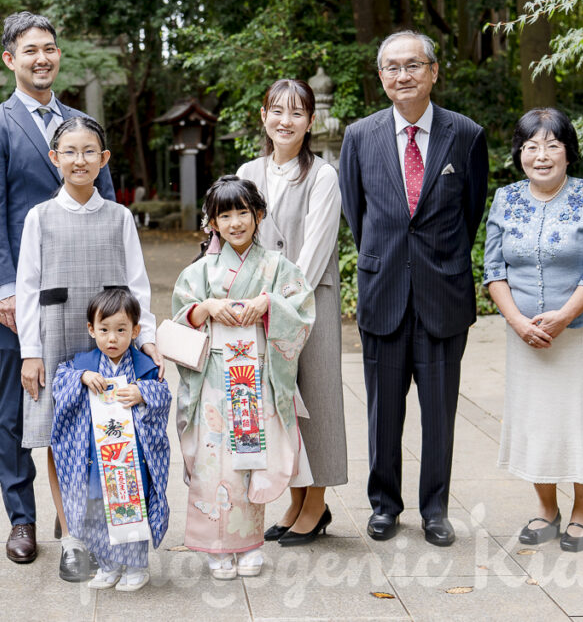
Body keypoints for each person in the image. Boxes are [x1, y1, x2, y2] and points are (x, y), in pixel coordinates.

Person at [0, 11, 118, 565]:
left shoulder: (81, 122)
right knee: (21, 401)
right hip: (26, 294)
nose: (42, 58)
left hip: (90, 293)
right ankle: (22, 516)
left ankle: (78, 504)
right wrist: (3, 289)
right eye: (30, 50)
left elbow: (108, 202)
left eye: (49, 48)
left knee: (91, 395)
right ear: (10, 59)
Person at [338, 30, 488, 547]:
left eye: (413, 66)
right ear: (381, 77)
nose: (403, 76)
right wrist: (390, 259)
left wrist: (435, 261)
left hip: (443, 295)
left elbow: (471, 214)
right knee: (383, 413)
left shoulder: (465, 134)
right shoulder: (359, 136)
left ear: (433, 71)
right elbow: (358, 217)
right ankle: (384, 505)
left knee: (440, 414)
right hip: (383, 295)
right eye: (392, 68)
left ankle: (436, 509)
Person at [16, 116, 159, 581]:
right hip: (58, 336)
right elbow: (27, 287)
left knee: (117, 439)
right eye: (70, 152)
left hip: (114, 339)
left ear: (104, 159)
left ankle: (119, 532)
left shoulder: (120, 216)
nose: (80, 160)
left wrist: (148, 338)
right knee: (64, 437)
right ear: (55, 159)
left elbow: (138, 284)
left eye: (89, 151)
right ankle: (75, 536)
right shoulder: (40, 217)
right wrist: (30, 351)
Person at [484, 108, 583, 552]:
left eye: (552, 145)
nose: (541, 156)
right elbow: (493, 270)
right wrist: (518, 322)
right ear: (520, 153)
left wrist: (563, 317)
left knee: (581, 421)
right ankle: (547, 510)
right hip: (525, 336)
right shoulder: (505, 199)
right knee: (535, 422)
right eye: (531, 146)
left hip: (579, 334)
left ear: (568, 152)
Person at [171, 176, 315, 580]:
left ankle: (249, 542)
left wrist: (269, 303)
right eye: (224, 215)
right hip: (215, 380)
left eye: (243, 212)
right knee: (215, 461)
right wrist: (207, 308)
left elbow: (301, 311)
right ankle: (217, 545)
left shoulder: (277, 267)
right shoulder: (199, 271)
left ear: (259, 215)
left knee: (250, 457)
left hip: (256, 376)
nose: (235, 222)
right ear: (212, 223)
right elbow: (182, 318)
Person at [238, 78, 346, 546]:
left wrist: (274, 298)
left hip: (308, 302)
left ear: (311, 121)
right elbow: (235, 232)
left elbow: (315, 251)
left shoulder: (323, 175)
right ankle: (295, 498)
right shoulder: (249, 170)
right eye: (277, 111)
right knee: (279, 405)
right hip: (258, 304)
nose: (286, 121)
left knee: (315, 400)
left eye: (297, 113)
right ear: (264, 117)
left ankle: (316, 503)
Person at [51, 289, 170, 592]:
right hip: (96, 457)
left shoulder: (143, 366)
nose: (112, 338)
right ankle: (108, 565)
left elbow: (164, 394)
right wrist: (81, 379)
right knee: (97, 510)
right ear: (91, 330)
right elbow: (60, 379)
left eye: (121, 330)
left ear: (135, 331)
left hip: (131, 458)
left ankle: (136, 567)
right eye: (104, 330)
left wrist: (144, 393)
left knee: (131, 505)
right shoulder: (84, 363)